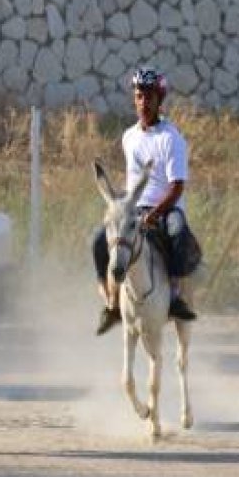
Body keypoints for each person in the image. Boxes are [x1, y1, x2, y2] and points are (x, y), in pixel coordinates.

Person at [93, 67, 202, 335]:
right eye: (139, 96)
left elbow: (177, 188)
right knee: (98, 241)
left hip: (167, 208)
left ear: (159, 100)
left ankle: (176, 297)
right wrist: (119, 203)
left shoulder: (171, 138)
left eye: (149, 97)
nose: (143, 102)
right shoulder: (128, 137)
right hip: (134, 208)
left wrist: (154, 214)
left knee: (177, 232)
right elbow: (133, 181)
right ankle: (112, 303)